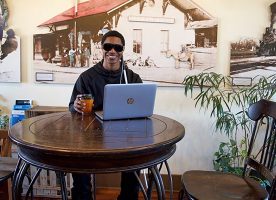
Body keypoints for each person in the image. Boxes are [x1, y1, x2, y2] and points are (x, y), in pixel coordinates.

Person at [69, 30, 142, 200]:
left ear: (123, 50)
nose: (113, 51)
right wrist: (76, 106)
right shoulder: (86, 78)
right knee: (80, 172)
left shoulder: (132, 77)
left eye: (118, 48)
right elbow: (71, 107)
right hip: (90, 139)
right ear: (101, 48)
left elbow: (140, 108)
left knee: (136, 163)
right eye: (108, 46)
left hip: (125, 138)